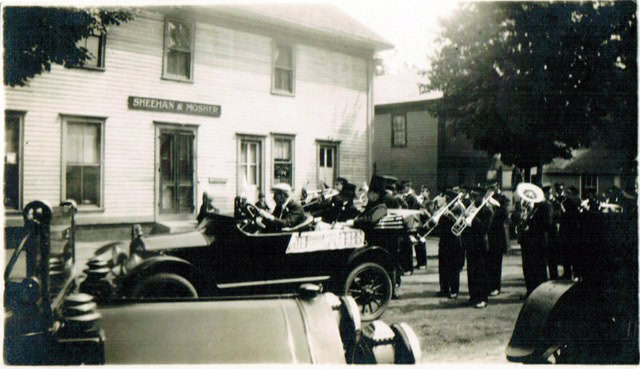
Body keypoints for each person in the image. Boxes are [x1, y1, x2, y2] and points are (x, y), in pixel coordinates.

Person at [463, 187, 494, 308]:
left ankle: (482, 298)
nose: (473, 199)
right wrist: (466, 217)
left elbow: (485, 228)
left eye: (475, 196)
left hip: (481, 245)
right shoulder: (472, 208)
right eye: (472, 196)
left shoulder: (488, 210)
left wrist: (472, 219)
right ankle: (473, 296)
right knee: (472, 272)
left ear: (481, 197)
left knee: (481, 272)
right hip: (471, 244)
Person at [520, 189, 554, 298]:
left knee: (539, 269)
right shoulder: (532, 207)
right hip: (528, 242)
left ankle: (540, 294)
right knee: (528, 269)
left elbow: (547, 223)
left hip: (539, 243)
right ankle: (530, 291)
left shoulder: (546, 206)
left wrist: (531, 225)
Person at [437, 190, 465, 299]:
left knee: (453, 267)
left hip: (454, 242)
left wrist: (451, 215)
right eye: (447, 199)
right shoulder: (445, 209)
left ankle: (454, 290)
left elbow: (459, 223)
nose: (447, 201)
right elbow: (439, 224)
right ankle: (444, 289)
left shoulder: (459, 208)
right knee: (443, 266)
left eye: (449, 199)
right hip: (444, 241)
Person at [487, 190, 510, 296]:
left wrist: (495, 206)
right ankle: (490, 286)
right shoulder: (490, 203)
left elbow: (504, 215)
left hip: (498, 239)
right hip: (490, 238)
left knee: (496, 265)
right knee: (490, 264)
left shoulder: (503, 202)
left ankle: (496, 287)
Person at [543, 185, 560, 280]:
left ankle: (554, 277)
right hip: (546, 233)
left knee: (553, 258)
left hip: (553, 233)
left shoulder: (556, 203)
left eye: (549, 193)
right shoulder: (544, 203)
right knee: (546, 258)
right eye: (546, 193)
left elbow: (559, 214)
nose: (548, 194)